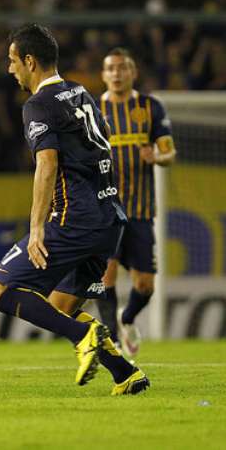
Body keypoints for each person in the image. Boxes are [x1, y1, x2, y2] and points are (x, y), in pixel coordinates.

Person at [0, 23, 149, 395]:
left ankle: (86, 336)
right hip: (110, 218)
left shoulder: (38, 104)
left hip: (74, 219)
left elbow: (47, 164)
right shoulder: (81, 92)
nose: (10, 70)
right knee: (59, 307)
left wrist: (37, 228)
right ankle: (125, 372)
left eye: (13, 61)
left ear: (30, 61)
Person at [96, 48, 176, 358]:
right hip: (106, 209)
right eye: (110, 68)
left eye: (122, 68)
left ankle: (126, 319)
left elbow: (169, 152)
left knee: (145, 286)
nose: (116, 73)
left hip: (141, 210)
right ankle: (113, 342)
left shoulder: (150, 107)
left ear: (133, 73)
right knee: (107, 274)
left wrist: (158, 156)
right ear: (103, 75)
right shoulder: (93, 108)